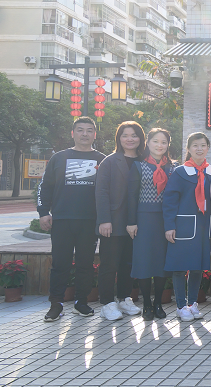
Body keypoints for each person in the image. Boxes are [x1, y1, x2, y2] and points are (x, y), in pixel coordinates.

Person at [38, 116, 106, 322]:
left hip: (89, 221)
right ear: (72, 133)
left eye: (89, 130)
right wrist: (43, 212)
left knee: (86, 264)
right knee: (60, 264)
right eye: (80, 130)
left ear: (94, 134)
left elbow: (108, 192)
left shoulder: (103, 160)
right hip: (62, 220)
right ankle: (56, 304)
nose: (84, 134)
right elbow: (45, 187)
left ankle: (81, 302)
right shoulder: (59, 158)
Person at [96, 121, 146, 321]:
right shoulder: (109, 161)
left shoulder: (144, 160)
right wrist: (104, 220)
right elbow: (101, 191)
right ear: (119, 138)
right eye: (125, 135)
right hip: (114, 221)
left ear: (140, 138)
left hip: (137, 222)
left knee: (128, 263)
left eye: (134, 135)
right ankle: (107, 303)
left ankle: (125, 299)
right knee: (109, 264)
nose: (130, 139)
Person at [163, 132, 211, 322]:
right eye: (195, 145)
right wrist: (169, 226)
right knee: (179, 267)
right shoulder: (180, 172)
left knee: (197, 266)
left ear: (208, 148)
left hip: (203, 226)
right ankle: (180, 306)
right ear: (189, 149)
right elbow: (170, 200)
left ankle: (192, 303)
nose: (199, 149)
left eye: (203, 145)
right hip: (182, 226)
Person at [126, 128, 175, 321]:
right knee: (144, 262)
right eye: (155, 141)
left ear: (168, 145)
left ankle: (158, 304)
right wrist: (131, 222)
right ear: (148, 143)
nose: (159, 145)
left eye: (163, 142)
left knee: (161, 263)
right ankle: (146, 304)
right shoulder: (138, 166)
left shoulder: (172, 168)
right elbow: (131, 196)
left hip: (165, 220)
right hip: (143, 220)